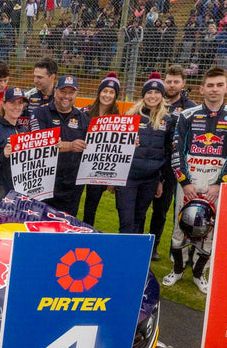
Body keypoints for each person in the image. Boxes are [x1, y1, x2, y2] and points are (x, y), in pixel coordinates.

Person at [162, 66, 227, 295]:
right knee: (181, 225)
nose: (214, 89)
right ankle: (178, 269)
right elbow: (176, 150)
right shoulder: (186, 115)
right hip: (189, 180)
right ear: (202, 89)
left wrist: (221, 184)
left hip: (216, 183)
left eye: (219, 85)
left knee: (210, 229)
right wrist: (184, 182)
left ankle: (200, 273)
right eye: (210, 85)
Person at [118, 73, 173, 236]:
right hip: (127, 178)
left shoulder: (168, 120)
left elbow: (167, 152)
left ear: (162, 96)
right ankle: (123, 258)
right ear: (143, 95)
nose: (153, 96)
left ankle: (136, 257)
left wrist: (160, 180)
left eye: (157, 93)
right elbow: (116, 147)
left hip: (150, 179)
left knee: (139, 219)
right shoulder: (130, 116)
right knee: (126, 221)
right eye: (149, 92)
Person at [148, 64, 194, 259]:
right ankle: (141, 241)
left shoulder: (191, 108)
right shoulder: (154, 101)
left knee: (163, 208)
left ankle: (156, 245)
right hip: (154, 160)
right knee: (142, 205)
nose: (172, 85)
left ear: (183, 83)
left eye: (176, 82)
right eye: (169, 81)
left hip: (175, 166)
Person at [31, 74, 88, 216]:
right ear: (56, 91)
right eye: (63, 91)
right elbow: (37, 144)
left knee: (66, 228)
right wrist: (69, 146)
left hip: (71, 186)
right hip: (44, 183)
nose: (66, 96)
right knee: (39, 226)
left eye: (71, 92)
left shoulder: (83, 119)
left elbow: (96, 145)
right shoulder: (40, 113)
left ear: (76, 94)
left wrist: (129, 142)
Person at [78, 73, 121, 226]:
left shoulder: (118, 118)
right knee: (72, 202)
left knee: (91, 206)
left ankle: (87, 233)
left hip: (98, 169)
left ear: (116, 96)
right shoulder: (84, 112)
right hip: (78, 164)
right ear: (99, 92)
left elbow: (117, 150)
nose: (107, 95)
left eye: (111, 92)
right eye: (105, 91)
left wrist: (111, 179)